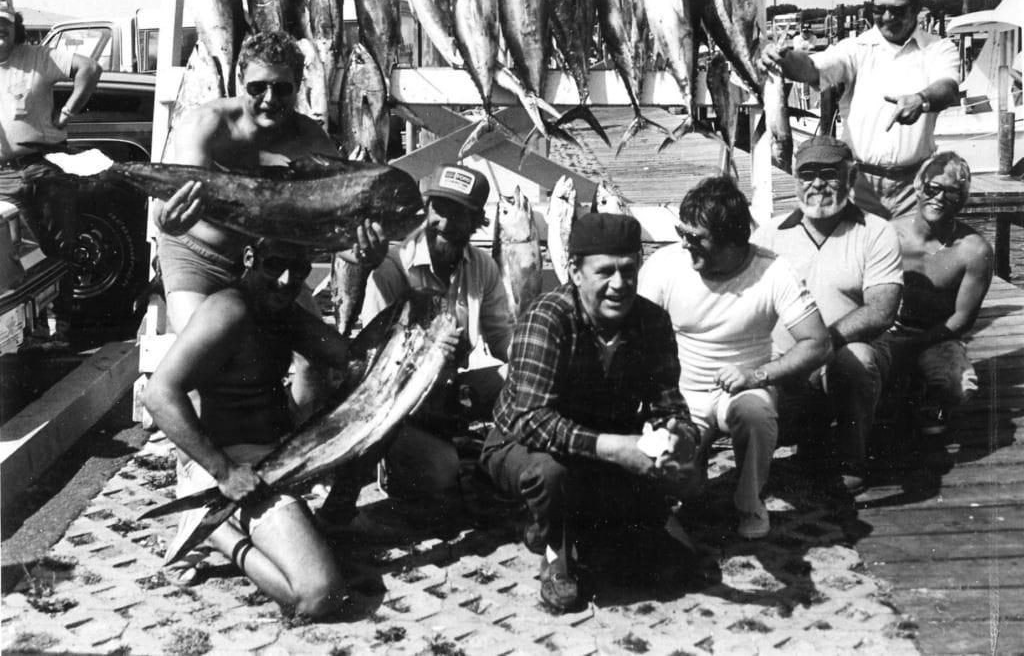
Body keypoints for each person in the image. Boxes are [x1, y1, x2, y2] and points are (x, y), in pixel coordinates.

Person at [481, 212, 701, 612]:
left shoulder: (652, 320)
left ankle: (569, 522)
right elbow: (530, 418)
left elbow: (670, 403)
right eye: (605, 272)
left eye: (628, 271)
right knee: (551, 475)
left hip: (604, 444)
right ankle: (554, 551)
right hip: (525, 448)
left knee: (676, 567)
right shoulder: (548, 318)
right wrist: (615, 448)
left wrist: (678, 441)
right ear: (575, 272)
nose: (619, 285)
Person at [152, 30, 383, 411]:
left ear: (298, 86)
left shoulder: (311, 140)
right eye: (258, 87)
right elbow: (173, 208)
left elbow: (337, 234)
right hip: (200, 257)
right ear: (240, 79)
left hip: (270, 268)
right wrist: (168, 220)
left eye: (282, 89)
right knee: (203, 355)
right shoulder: (206, 125)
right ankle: (199, 460)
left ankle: (299, 444)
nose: (270, 99)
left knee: (315, 360)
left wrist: (364, 256)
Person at [143, 239, 349, 618]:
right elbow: (158, 395)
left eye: (299, 271)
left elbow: (346, 354)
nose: (287, 279)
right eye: (275, 265)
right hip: (232, 465)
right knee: (319, 595)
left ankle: (225, 521)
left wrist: (363, 271)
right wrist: (224, 473)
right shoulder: (228, 310)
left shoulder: (283, 310)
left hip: (272, 460)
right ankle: (218, 534)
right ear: (250, 257)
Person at [317, 164, 514, 528]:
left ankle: (504, 461)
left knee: (520, 376)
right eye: (440, 209)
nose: (445, 223)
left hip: (451, 387)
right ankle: (380, 468)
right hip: (399, 404)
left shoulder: (482, 266)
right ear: (427, 209)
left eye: (460, 214)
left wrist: (539, 358)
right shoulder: (392, 266)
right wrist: (434, 358)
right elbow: (382, 369)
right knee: (442, 474)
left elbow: (502, 337)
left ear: (477, 221)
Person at [638, 176, 831, 539]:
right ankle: (683, 489)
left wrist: (758, 375)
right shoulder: (665, 265)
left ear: (732, 240)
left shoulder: (773, 272)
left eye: (695, 238)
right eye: (682, 232)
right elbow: (636, 338)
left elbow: (818, 343)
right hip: (682, 397)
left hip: (742, 389)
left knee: (756, 413)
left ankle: (749, 501)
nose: (683, 243)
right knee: (686, 492)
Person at [753, 136, 903, 494]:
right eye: (807, 174)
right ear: (795, 179)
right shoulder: (768, 235)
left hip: (843, 352)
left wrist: (819, 346)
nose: (817, 184)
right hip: (782, 360)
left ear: (850, 178)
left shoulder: (877, 231)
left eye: (829, 174)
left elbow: (882, 310)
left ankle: (852, 456)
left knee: (857, 360)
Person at [760, 0, 960, 219]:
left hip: (917, 188)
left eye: (897, 10)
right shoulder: (855, 48)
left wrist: (922, 100)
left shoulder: (939, 49)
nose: (887, 17)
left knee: (914, 257)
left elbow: (948, 88)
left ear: (917, 7)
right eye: (878, 9)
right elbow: (813, 69)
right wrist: (784, 58)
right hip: (859, 185)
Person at [1, 0, 102, 346]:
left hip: (45, 166)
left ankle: (64, 327)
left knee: (61, 247)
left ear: (15, 28)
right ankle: (34, 329)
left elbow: (90, 68)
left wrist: (68, 112)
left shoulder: (38, 57)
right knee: (22, 256)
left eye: (5, 24)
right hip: (3, 177)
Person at [874, 151, 993, 439]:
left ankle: (924, 399)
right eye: (932, 188)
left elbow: (963, 319)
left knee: (959, 389)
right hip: (889, 330)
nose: (939, 198)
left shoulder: (974, 251)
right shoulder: (887, 234)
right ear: (918, 188)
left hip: (938, 335)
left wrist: (913, 346)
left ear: (961, 200)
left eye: (951, 193)